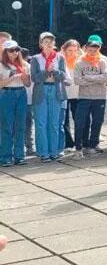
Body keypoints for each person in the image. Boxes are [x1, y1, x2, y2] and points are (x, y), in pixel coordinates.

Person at [30, 32, 68, 162]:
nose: (49, 44)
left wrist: (54, 71)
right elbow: (34, 78)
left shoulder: (60, 58)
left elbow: (63, 76)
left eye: (51, 41)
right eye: (45, 41)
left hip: (56, 91)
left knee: (54, 124)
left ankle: (54, 151)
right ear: (41, 44)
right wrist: (47, 72)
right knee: (41, 123)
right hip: (41, 91)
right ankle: (43, 152)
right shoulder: (35, 58)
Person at [73, 39, 107, 157]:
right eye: (90, 50)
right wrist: (96, 79)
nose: (92, 52)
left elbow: (105, 78)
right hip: (84, 96)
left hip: (99, 96)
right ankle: (79, 146)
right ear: (86, 49)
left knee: (98, 121)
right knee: (80, 122)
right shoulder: (79, 63)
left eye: (95, 50)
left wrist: (88, 77)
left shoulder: (102, 62)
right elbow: (77, 80)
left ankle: (93, 145)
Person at [0, 41, 31, 166]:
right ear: (5, 52)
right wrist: (13, 77)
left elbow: (28, 84)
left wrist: (24, 78)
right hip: (7, 94)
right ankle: (5, 157)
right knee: (7, 126)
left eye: (16, 50)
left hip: (21, 93)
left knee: (20, 126)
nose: (14, 53)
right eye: (11, 50)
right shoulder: (1, 65)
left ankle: (19, 156)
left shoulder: (25, 64)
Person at [59, 39, 81, 153]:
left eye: (75, 50)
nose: (72, 52)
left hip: (77, 94)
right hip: (64, 94)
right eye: (70, 50)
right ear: (64, 50)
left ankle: (79, 143)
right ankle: (68, 143)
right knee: (64, 120)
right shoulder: (60, 61)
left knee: (78, 119)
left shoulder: (80, 61)